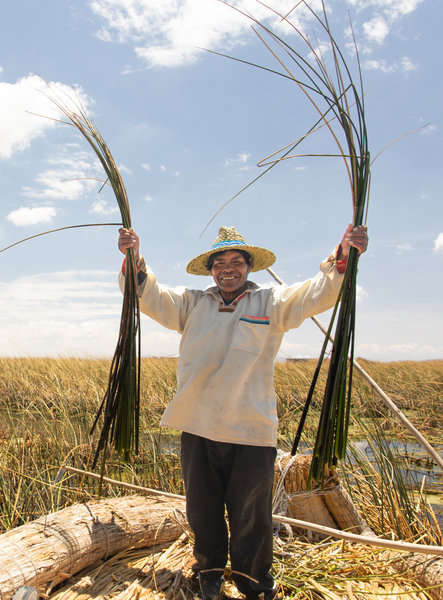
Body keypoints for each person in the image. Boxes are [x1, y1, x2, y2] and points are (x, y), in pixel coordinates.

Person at [117, 224, 369, 600]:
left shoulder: (271, 303)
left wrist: (344, 257)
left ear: (249, 267)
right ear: (211, 270)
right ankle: (209, 576)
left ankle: (255, 586)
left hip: (251, 431)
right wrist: (133, 258)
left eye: (236, 261)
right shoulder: (191, 304)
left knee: (251, 516)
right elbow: (149, 295)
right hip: (198, 426)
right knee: (202, 511)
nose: (228, 269)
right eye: (220, 263)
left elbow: (318, 293)